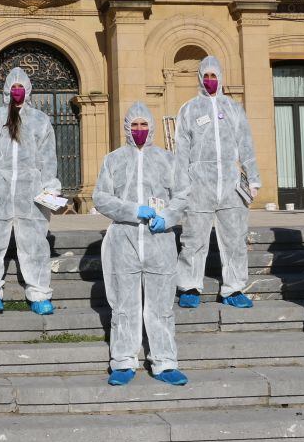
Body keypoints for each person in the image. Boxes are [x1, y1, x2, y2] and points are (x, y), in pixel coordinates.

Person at [94, 102, 190, 387]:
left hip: (159, 242)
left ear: (152, 127)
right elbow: (101, 198)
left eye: (143, 125)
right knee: (124, 305)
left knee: (161, 306)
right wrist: (133, 210)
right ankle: (123, 361)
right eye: (134, 125)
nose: (139, 130)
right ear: (126, 127)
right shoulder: (113, 160)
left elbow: (182, 197)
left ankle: (165, 362)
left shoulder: (167, 160)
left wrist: (167, 217)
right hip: (123, 241)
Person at [173, 55, 261, 310]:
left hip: (232, 185)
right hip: (199, 185)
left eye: (214, 76)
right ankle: (189, 286)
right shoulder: (189, 109)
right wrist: (181, 187)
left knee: (235, 238)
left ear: (220, 78)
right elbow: (181, 152)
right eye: (206, 76)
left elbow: (246, 145)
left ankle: (233, 288)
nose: (210, 80)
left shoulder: (233, 108)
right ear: (200, 78)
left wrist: (252, 178)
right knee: (194, 237)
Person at [0, 67, 60, 316]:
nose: (17, 91)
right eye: (13, 87)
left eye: (21, 86)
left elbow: (48, 158)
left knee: (34, 243)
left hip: (30, 193)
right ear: (7, 90)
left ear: (28, 89)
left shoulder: (40, 120)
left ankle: (39, 293)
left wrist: (50, 187)